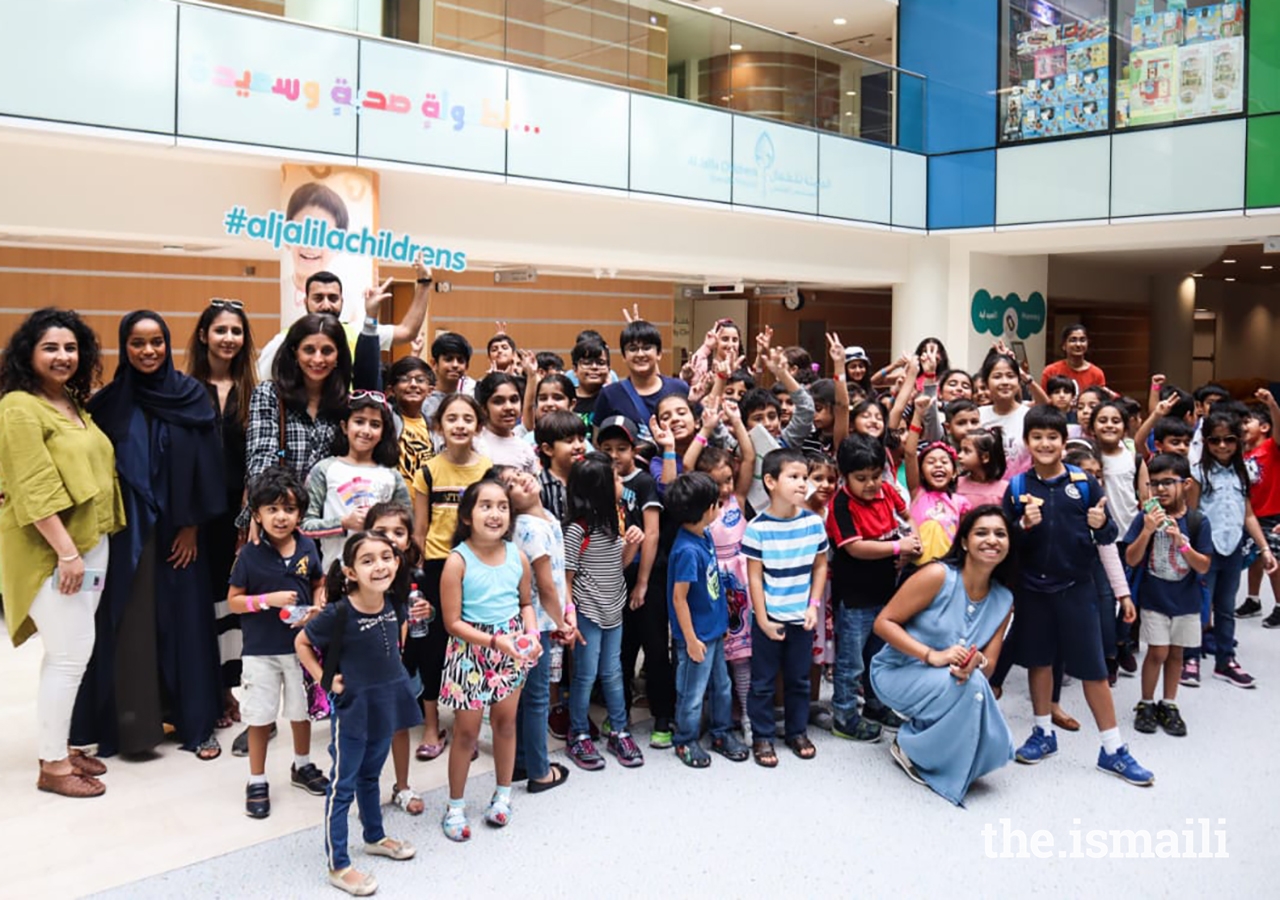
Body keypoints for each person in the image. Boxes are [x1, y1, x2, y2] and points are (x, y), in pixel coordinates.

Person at [73, 311, 226, 761]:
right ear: (125, 346)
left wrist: (193, 528)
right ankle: (135, 727)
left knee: (186, 626)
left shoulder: (191, 396)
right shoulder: (109, 403)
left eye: (156, 341)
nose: (148, 351)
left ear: (167, 343)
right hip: (127, 536)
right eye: (137, 343)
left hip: (181, 536)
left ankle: (195, 724)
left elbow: (208, 465)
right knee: (133, 629)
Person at [0, 308, 125, 797]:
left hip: (90, 543)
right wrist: (67, 552)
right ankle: (52, 767)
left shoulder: (71, 402)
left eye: (70, 347)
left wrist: (84, 549)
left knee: (72, 651)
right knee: (70, 654)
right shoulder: (18, 407)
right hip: (53, 550)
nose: (63, 356)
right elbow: (32, 485)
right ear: (28, 353)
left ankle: (58, 746)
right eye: (50, 347)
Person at [1002, 405, 1154, 786]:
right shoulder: (1018, 488)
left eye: (1052, 437)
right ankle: (1042, 732)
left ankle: (1113, 749)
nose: (1045, 443)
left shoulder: (1085, 483)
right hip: (1034, 591)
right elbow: (1006, 544)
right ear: (1027, 442)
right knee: (1039, 663)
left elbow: (1107, 538)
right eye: (1037, 437)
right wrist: (1022, 525)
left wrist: (1101, 526)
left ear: (1063, 442)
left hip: (1078, 589)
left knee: (1093, 671)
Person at [298, 531, 423, 895]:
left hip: (386, 703)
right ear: (350, 572)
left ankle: (374, 836)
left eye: (386, 557)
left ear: (397, 563)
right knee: (343, 786)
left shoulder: (394, 603)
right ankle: (338, 864)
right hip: (353, 708)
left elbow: (394, 640)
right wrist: (324, 679)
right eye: (367, 561)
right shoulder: (339, 612)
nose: (379, 566)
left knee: (372, 775)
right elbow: (302, 642)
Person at [871, 506, 1017, 804]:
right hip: (897, 671)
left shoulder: (1004, 598)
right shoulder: (938, 575)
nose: (992, 540)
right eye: (982, 533)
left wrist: (976, 662)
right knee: (971, 687)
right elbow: (883, 623)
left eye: (1000, 534)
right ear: (964, 541)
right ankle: (910, 746)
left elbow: (987, 669)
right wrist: (931, 655)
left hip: (952, 678)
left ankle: (944, 753)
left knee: (974, 683)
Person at [437, 479, 541, 841]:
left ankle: (503, 794)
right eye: (485, 505)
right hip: (472, 653)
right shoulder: (457, 561)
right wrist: (497, 641)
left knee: (506, 724)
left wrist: (531, 636)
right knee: (465, 733)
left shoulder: (518, 556)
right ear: (467, 515)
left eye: (502, 506)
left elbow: (526, 603)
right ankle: (454, 806)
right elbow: (452, 623)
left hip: (511, 650)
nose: (495, 513)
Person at [227, 468, 329, 818]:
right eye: (271, 509)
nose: (280, 516)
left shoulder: (306, 546)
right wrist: (266, 600)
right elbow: (234, 600)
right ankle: (256, 779)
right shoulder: (250, 555)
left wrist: (318, 602)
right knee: (259, 716)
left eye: (288, 509)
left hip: (301, 647)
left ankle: (302, 765)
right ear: (257, 514)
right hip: (260, 651)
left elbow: (318, 580)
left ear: (300, 513)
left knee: (301, 712)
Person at [187, 298, 258, 726]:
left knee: (230, 606)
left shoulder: (255, 390)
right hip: (194, 517)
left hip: (239, 513)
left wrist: (248, 517)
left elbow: (257, 457)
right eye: (221, 330)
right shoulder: (183, 387)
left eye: (236, 332)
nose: (229, 338)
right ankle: (201, 689)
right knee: (198, 603)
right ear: (203, 335)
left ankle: (227, 689)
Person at [409, 394, 492, 761]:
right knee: (431, 645)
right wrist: (420, 575)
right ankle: (431, 724)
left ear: (478, 425)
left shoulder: (488, 469)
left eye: (467, 418)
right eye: (452, 418)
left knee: (469, 649)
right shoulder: (426, 471)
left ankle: (465, 727)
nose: (460, 425)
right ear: (439, 425)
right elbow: (420, 529)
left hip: (476, 566)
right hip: (437, 567)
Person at [826, 435, 921, 744]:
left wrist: (912, 542)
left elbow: (908, 516)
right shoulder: (841, 503)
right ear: (845, 477)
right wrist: (897, 547)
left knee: (879, 657)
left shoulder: (888, 490)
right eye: (861, 478)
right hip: (855, 598)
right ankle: (844, 716)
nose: (871, 483)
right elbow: (854, 548)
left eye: (876, 475)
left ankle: (877, 706)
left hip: (886, 593)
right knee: (852, 662)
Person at [742, 448, 829, 767]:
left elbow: (820, 567)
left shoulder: (813, 524)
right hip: (768, 619)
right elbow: (754, 577)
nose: (802, 483)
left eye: (804, 477)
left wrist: (813, 606)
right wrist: (762, 620)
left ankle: (796, 731)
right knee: (763, 682)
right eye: (793, 477)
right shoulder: (758, 527)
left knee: (799, 680)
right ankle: (763, 736)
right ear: (770, 481)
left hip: (801, 619)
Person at [563, 453, 646, 770]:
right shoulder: (577, 531)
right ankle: (579, 733)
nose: (621, 482)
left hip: (615, 609)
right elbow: (566, 580)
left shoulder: (617, 518)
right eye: (615, 479)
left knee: (613, 672)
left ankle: (620, 730)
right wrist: (570, 617)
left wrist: (633, 546)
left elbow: (618, 566)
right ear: (598, 487)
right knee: (585, 675)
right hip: (587, 613)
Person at [1123, 454, 1212, 737]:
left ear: (1185, 484)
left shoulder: (1198, 521)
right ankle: (1146, 702)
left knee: (1177, 654)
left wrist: (1181, 544)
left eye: (1168, 483)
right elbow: (1132, 558)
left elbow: (1204, 566)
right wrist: (1148, 530)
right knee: (1157, 651)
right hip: (1154, 599)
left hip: (1187, 602)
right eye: (1154, 484)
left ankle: (1169, 703)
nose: (1160, 490)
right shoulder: (1145, 517)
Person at [666, 472, 750, 768]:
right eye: (716, 503)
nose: (720, 506)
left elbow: (712, 587)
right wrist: (690, 639)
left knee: (722, 685)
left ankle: (720, 732)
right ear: (705, 510)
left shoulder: (706, 535)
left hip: (714, 630)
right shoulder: (687, 550)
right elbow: (679, 598)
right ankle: (685, 740)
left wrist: (723, 624)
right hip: (696, 637)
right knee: (692, 692)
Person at [500, 467, 574, 793]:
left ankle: (520, 762)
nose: (521, 480)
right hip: (538, 623)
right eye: (511, 485)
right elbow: (545, 585)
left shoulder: (542, 517)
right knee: (538, 698)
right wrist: (561, 623)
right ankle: (540, 772)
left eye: (519, 474)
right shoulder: (530, 528)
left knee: (528, 695)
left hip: (539, 620)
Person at [1188, 411, 1275, 687]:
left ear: (1238, 441)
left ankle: (1225, 660)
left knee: (1225, 607)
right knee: (1200, 606)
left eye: (1229, 440)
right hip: (1206, 550)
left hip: (1233, 548)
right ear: (1206, 441)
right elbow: (1191, 513)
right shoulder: (1198, 472)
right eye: (1215, 440)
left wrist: (1264, 548)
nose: (1222, 446)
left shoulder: (1245, 471)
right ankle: (1190, 656)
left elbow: (1248, 514)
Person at [257, 256, 432, 379]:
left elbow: (407, 331)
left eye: (333, 298)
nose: (326, 305)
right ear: (305, 301)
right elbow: (259, 381)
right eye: (318, 298)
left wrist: (424, 283)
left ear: (342, 301)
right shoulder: (285, 339)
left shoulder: (357, 333)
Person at [363, 502, 431, 817]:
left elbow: (417, 617)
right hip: (364, 668)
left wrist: (425, 611)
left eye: (398, 532)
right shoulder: (357, 574)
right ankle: (365, 790)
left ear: (408, 539)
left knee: (398, 727)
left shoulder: (413, 575)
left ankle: (401, 786)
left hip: (398, 666)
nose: (390, 538)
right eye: (381, 532)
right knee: (366, 732)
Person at [302, 393, 411, 565]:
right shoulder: (324, 469)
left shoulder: (392, 476)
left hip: (382, 572)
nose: (366, 431)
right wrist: (344, 523)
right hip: (335, 570)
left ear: (383, 432)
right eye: (359, 422)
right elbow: (304, 526)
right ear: (345, 427)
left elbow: (406, 523)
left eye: (375, 425)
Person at [592, 317, 688, 444]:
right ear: (624, 356)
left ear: (659, 353)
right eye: (632, 349)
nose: (640, 354)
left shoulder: (679, 388)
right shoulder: (610, 394)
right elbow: (598, 443)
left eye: (647, 348)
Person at [1238, 391, 1280, 626]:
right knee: (1254, 559)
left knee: (1273, 562)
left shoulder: (1273, 447)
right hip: (1251, 514)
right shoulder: (1245, 452)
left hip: (1272, 513)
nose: (1243, 427)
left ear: (1264, 427)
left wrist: (1272, 404)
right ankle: (1253, 599)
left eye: (1247, 422)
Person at [979, 350, 1031, 478]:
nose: (1005, 382)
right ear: (986, 383)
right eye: (997, 377)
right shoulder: (977, 415)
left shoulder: (1029, 416)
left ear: (1019, 382)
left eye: (1010, 376)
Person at [474, 372, 538, 473]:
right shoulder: (475, 444)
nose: (508, 407)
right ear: (484, 408)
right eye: (498, 401)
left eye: (514, 400)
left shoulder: (525, 449)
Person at [387, 355, 434, 489]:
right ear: (391, 390)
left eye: (420, 380)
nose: (413, 384)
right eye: (404, 379)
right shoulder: (386, 419)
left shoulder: (435, 428)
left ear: (430, 390)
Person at [423, 332, 478, 423]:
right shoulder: (423, 400)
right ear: (434, 364)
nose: (455, 365)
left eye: (460, 360)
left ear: (466, 367)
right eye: (448, 359)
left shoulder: (469, 402)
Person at [1040, 324, 1106, 394]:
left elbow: (1100, 401)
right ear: (1064, 345)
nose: (1078, 344)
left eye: (1082, 340)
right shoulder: (1051, 371)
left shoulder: (1096, 374)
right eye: (1073, 340)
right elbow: (1043, 400)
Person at [956, 426, 1008, 509]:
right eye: (960, 450)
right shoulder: (957, 485)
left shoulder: (1004, 490)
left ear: (985, 457)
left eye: (967, 451)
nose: (959, 456)